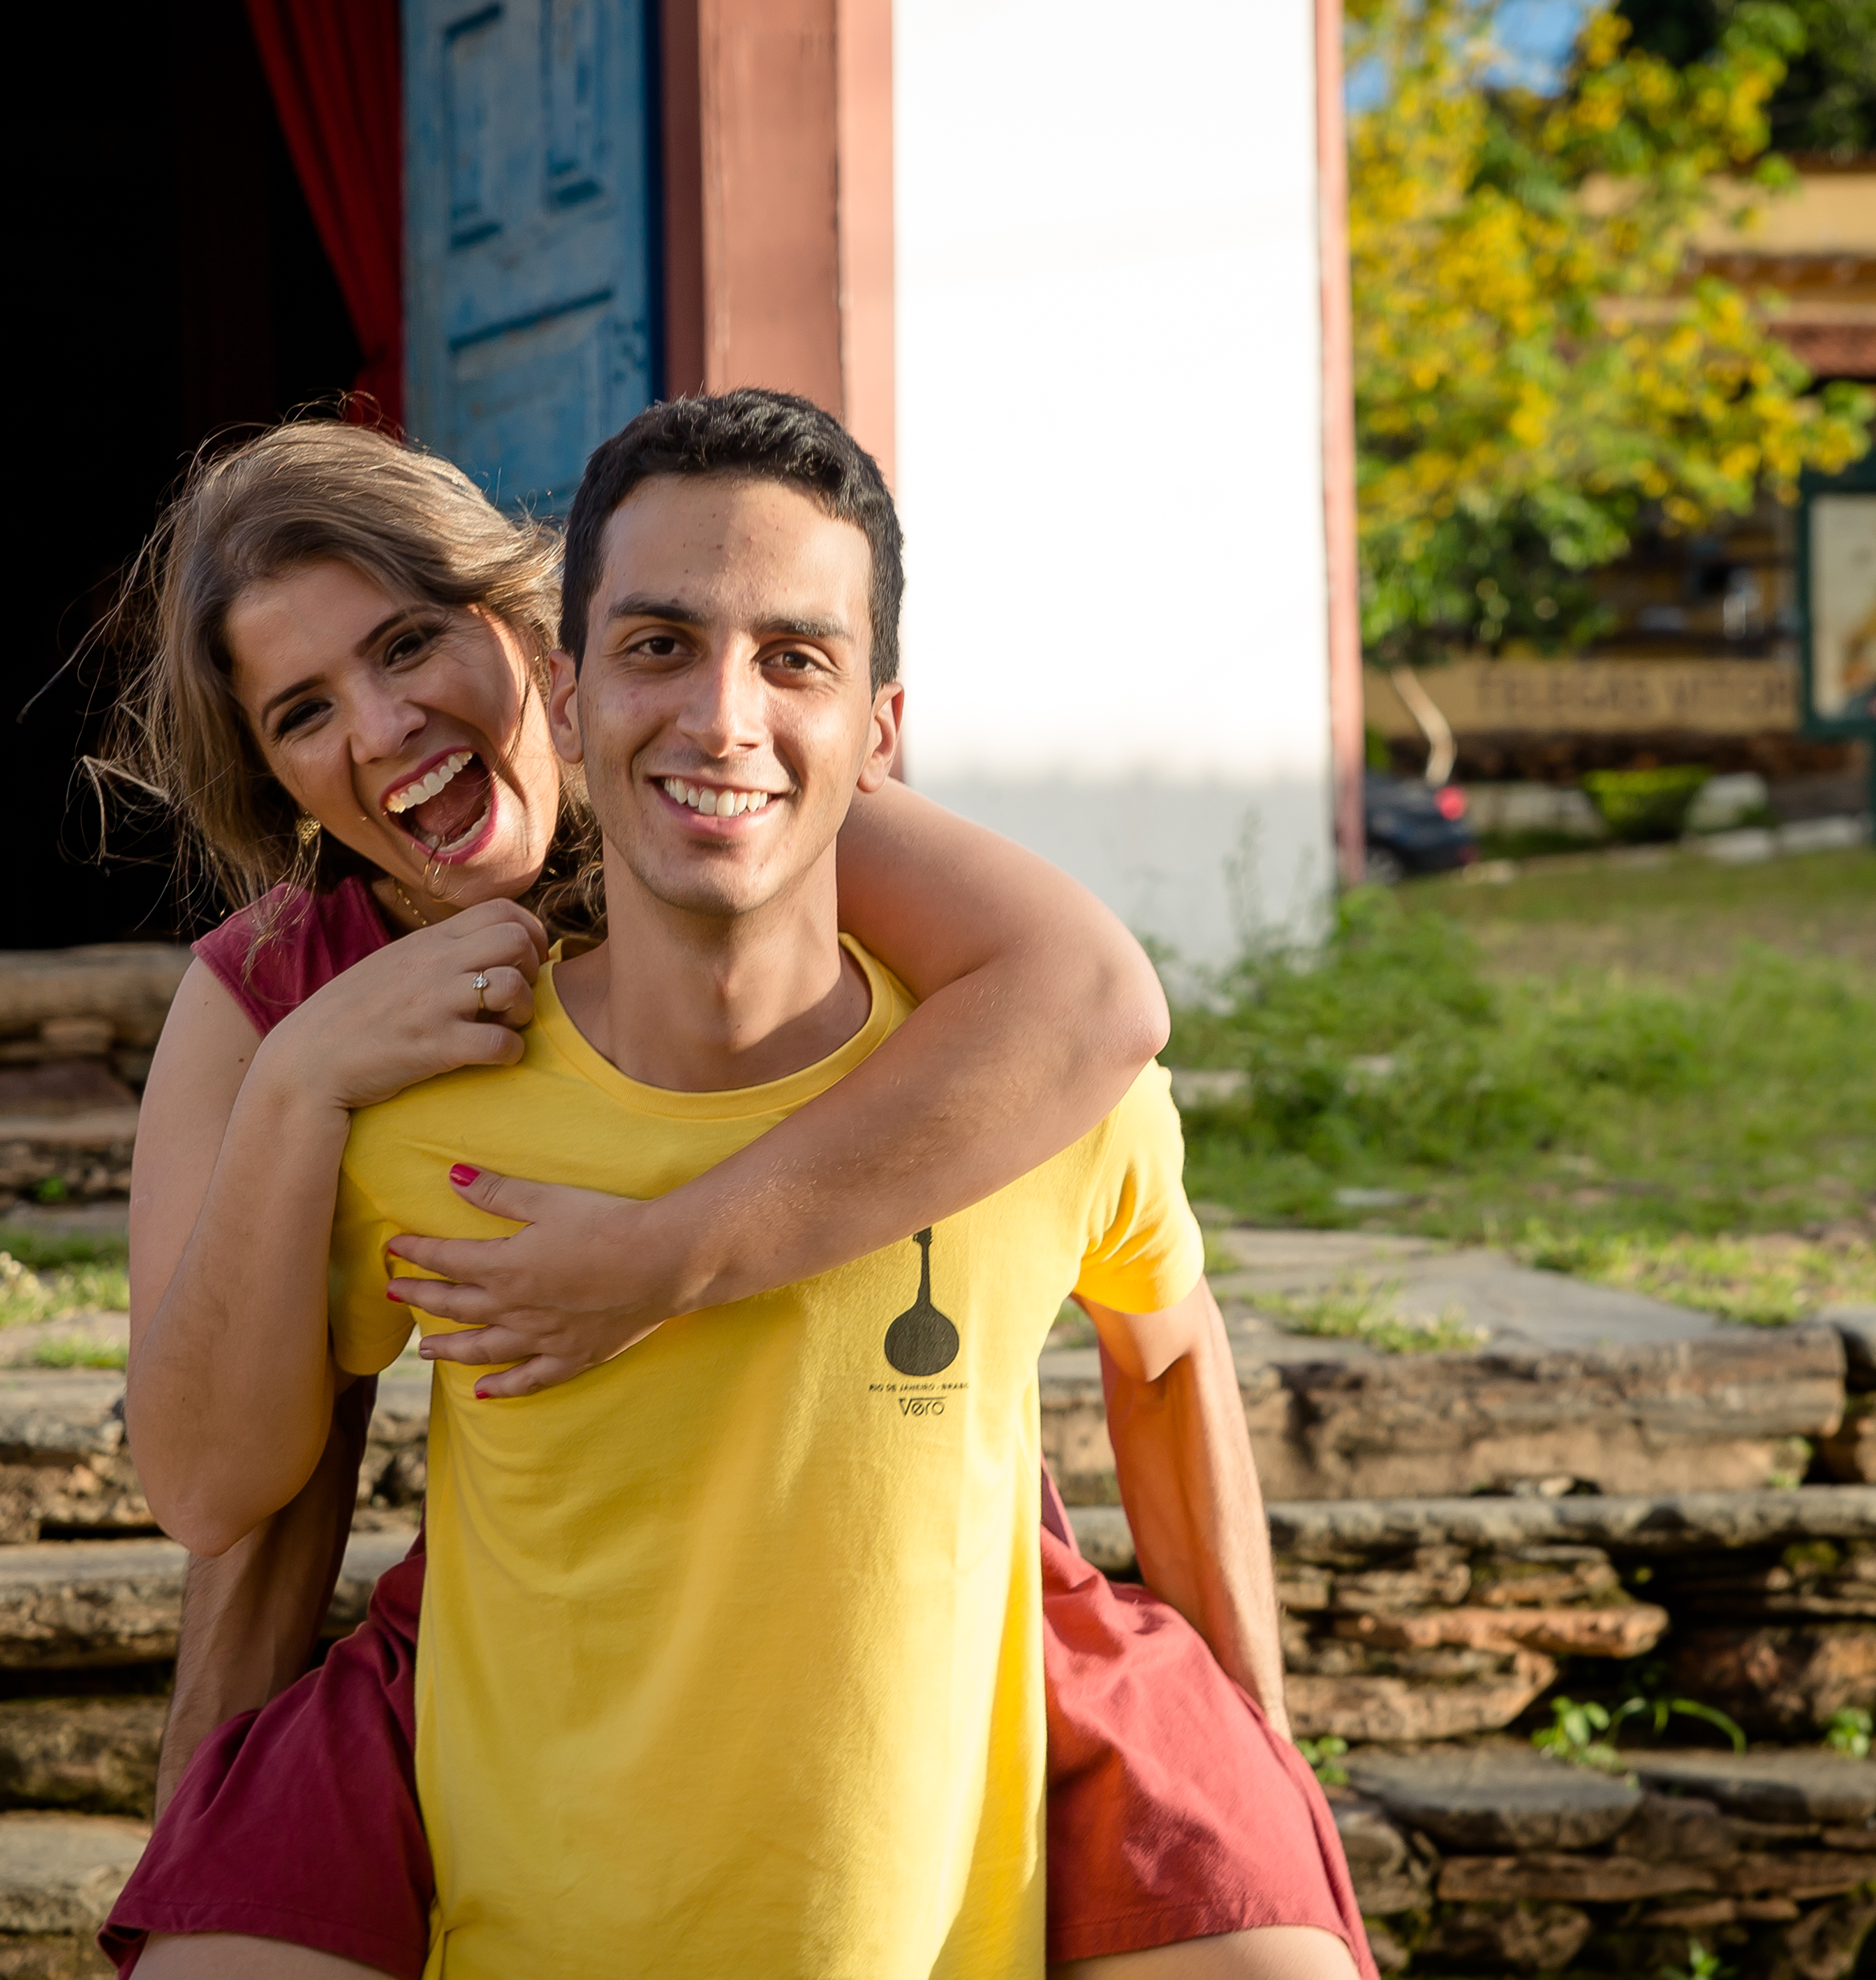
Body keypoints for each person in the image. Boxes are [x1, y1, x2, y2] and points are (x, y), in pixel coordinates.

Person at [108, 397, 1371, 1980]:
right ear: (278, 780)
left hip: (917, 1562)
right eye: (301, 713)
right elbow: (215, 1482)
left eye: (413, 642)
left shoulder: (750, 808)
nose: (380, 728)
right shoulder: (277, 999)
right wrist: (301, 1076)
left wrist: (656, 1256)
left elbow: (1094, 1002)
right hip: (541, 1610)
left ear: (531, 646)